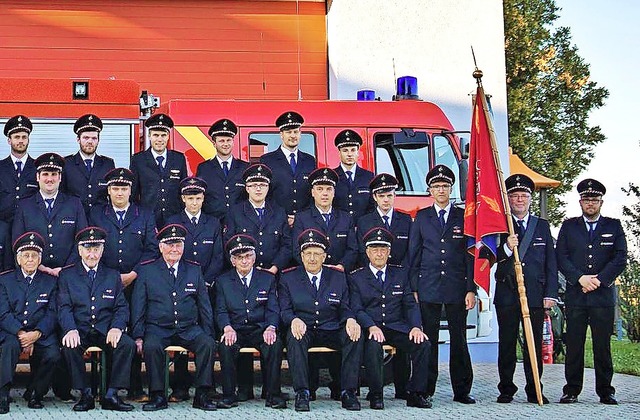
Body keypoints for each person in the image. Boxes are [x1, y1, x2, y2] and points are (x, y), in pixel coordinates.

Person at [88, 167, 158, 401]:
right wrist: (109, 276)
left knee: (136, 329)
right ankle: (106, 386)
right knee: (106, 329)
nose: (120, 192)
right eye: (115, 188)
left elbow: (151, 248)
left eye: (124, 188)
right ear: (108, 191)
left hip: (136, 284)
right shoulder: (96, 214)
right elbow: (92, 247)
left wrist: (133, 274)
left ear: (131, 190)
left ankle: (136, 387)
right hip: (104, 284)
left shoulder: (145, 214)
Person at [409, 164, 476, 405]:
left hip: (457, 287)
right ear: (430, 190)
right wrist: (413, 288)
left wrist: (471, 288)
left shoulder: (463, 217)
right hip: (428, 285)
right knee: (429, 339)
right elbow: (414, 254)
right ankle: (425, 388)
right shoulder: (421, 217)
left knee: (459, 339)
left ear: (451, 189)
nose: (441, 190)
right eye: (436, 187)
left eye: (445, 186)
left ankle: (461, 390)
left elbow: (470, 255)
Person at [131, 224, 217, 411]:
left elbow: (204, 306)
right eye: (169, 244)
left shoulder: (194, 270)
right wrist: (138, 335)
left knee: (207, 344)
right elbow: (139, 305)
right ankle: (158, 395)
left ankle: (202, 394)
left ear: (183, 247)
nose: (174, 249)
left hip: (188, 328)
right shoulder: (147, 271)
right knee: (151, 346)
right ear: (161, 247)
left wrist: (209, 332)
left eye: (178, 244)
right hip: (158, 328)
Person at [557, 178, 627, 405]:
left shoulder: (613, 226)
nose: (590, 204)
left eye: (594, 200)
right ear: (580, 202)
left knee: (602, 346)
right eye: (587, 200)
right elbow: (562, 257)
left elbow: (620, 258)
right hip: (576, 296)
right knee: (575, 344)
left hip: (602, 296)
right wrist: (579, 278)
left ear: (601, 202)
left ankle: (606, 391)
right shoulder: (569, 226)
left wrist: (600, 280)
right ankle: (571, 390)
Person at [279, 229, 363, 412]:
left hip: (331, 327)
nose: (312, 258)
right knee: (295, 338)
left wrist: (350, 319)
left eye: (317, 254)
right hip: (304, 328)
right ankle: (302, 392)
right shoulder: (288, 277)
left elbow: (344, 306)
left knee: (354, 335)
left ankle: (348, 391)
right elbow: (284, 309)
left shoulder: (338, 277)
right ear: (301, 256)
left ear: (324, 256)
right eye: (308, 253)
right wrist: (293, 319)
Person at [350, 227, 432, 410]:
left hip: (396, 326)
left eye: (383, 250)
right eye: (375, 250)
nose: (379, 254)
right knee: (372, 346)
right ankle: (376, 394)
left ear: (389, 252)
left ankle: (416, 393)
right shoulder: (357, 277)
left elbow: (410, 304)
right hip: (372, 327)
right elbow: (356, 308)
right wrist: (370, 326)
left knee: (423, 344)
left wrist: (416, 327)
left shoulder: (400, 274)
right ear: (367, 252)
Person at [494, 174, 558, 404]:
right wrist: (507, 248)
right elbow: (489, 259)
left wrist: (551, 294)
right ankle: (506, 389)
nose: (519, 200)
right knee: (507, 343)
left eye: (524, 195)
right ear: (508, 199)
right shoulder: (500, 225)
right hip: (507, 293)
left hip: (535, 294)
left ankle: (535, 389)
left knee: (534, 343)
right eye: (514, 196)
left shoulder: (541, 226)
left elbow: (551, 263)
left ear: (530, 199)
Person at [57, 227, 135, 412]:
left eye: (96, 249)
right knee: (69, 345)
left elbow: (121, 307)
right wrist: (70, 329)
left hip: (105, 330)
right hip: (80, 329)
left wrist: (117, 327)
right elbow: (63, 307)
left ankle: (112, 394)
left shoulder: (112, 275)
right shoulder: (67, 275)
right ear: (79, 250)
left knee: (127, 344)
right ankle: (85, 394)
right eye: (88, 249)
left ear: (102, 250)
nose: (92, 254)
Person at [165, 176, 224, 401]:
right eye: (190, 198)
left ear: (203, 199)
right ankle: (180, 386)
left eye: (198, 198)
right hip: (179, 288)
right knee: (180, 332)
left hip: (207, 287)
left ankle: (205, 385)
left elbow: (218, 255)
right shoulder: (173, 220)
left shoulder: (213, 223)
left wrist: (206, 281)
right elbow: (170, 254)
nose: (194, 202)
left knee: (206, 333)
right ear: (183, 199)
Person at [215, 234, 286, 409]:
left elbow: (273, 308)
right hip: (236, 328)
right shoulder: (223, 281)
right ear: (232, 261)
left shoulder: (267, 278)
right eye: (239, 257)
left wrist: (271, 327)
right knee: (226, 345)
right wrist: (227, 328)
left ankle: (273, 395)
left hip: (260, 328)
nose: (244, 261)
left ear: (254, 258)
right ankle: (229, 395)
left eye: (247, 256)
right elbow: (221, 310)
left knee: (274, 344)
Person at [0, 232, 60, 414]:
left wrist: (37, 334)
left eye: (34, 256)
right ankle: (3, 393)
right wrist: (20, 333)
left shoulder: (50, 282)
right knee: (9, 347)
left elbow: (53, 312)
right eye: (26, 255)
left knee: (53, 353)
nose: (30, 260)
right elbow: (2, 312)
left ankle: (35, 393)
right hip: (12, 332)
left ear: (40, 259)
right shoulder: (5, 280)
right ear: (18, 259)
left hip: (39, 332)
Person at [12, 153, 88, 277]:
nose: (49, 179)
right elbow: (17, 242)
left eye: (54, 174)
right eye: (45, 174)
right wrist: (38, 266)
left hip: (69, 275)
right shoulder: (24, 206)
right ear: (37, 177)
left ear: (60, 177)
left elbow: (81, 241)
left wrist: (65, 268)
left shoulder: (74, 204)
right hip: (35, 274)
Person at [224, 163, 292, 274]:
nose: (258, 189)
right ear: (247, 188)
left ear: (268, 187)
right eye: (254, 185)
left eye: (262, 185)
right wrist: (245, 269)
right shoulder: (235, 212)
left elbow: (287, 245)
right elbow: (228, 245)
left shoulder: (279, 212)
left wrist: (274, 268)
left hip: (273, 274)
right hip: (244, 274)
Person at [291, 168, 358, 272]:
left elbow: (352, 249)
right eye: (320, 189)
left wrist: (341, 266)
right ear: (313, 192)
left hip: (340, 274)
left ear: (334, 192)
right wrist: (316, 269)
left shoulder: (346, 218)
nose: (325, 193)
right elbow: (296, 250)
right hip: (312, 274)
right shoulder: (302, 218)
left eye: (329, 189)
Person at [130, 113, 187, 228]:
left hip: (174, 219)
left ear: (168, 136)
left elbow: (183, 191)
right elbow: (133, 195)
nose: (159, 139)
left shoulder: (179, 159)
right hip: (147, 220)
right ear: (149, 136)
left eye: (163, 135)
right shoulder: (138, 160)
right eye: (156, 135)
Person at [260, 111, 316, 225]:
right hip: (276, 221)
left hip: (304, 222)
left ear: (300, 134)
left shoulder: (310, 160)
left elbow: (313, 192)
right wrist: (282, 216)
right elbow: (265, 193)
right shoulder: (267, 160)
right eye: (288, 132)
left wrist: (302, 217)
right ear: (281, 135)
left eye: (296, 132)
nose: (292, 136)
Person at [61, 114, 115, 216]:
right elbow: (61, 196)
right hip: (74, 218)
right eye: (86, 138)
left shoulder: (108, 164)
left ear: (98, 140)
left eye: (94, 138)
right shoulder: (67, 164)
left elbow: (113, 196)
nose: (90, 141)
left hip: (101, 220)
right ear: (78, 139)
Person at [196, 119, 249, 221]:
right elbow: (200, 196)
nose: (226, 144)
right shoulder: (204, 168)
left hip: (240, 222)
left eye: (228, 140)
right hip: (213, 223)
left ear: (233, 142)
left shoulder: (244, 167)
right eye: (221, 141)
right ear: (214, 143)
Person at [0, 115, 38, 224]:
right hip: (3, 227)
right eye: (17, 137)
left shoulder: (38, 168)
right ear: (9, 140)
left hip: (30, 226)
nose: (21, 141)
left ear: (28, 140)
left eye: (24, 137)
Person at [332, 130, 374, 220]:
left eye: (353, 150)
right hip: (339, 229)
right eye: (345, 151)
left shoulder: (368, 176)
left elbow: (373, 207)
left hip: (362, 229)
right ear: (339, 153)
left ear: (358, 152)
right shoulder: (332, 176)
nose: (349, 154)